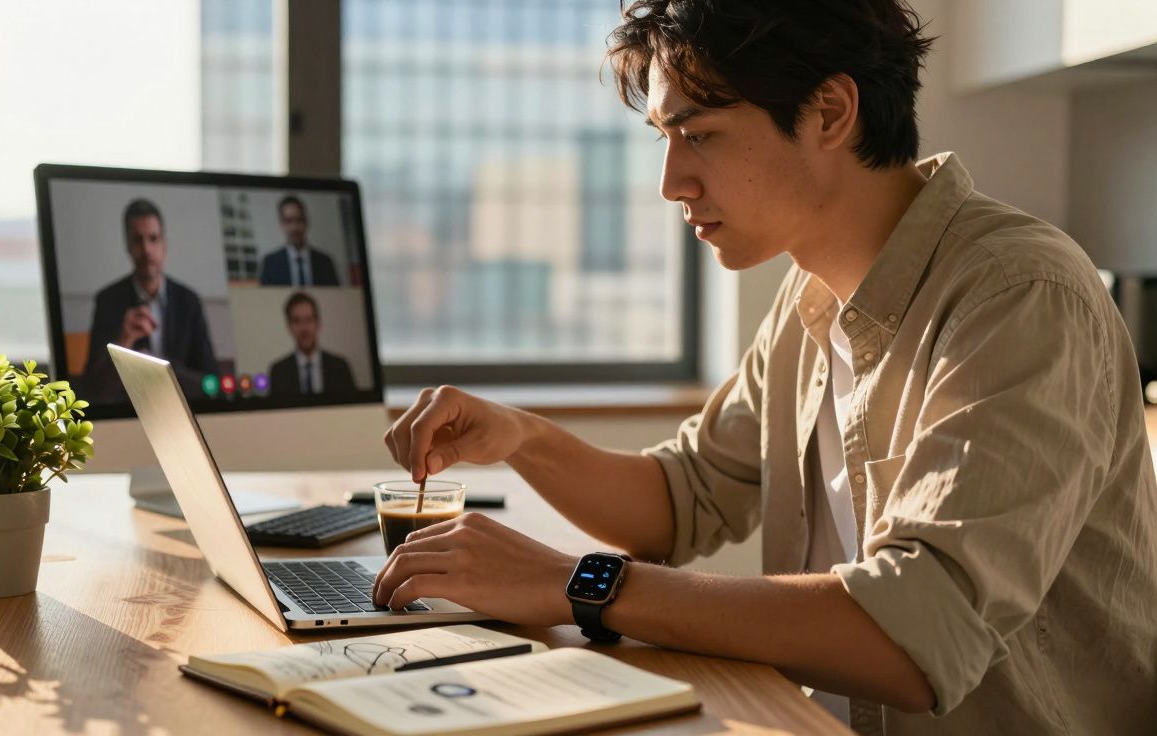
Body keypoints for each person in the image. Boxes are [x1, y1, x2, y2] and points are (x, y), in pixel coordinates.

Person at [371, 2, 1157, 734]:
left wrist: (577, 583)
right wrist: (521, 437)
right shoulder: (807, 296)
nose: (670, 183)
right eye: (664, 137)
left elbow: (916, 633)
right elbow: (682, 500)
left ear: (830, 112)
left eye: (700, 133)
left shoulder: (1019, 294)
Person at [81, 198, 217, 403]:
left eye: (153, 238)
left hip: (180, 408)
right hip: (127, 412)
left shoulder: (189, 301)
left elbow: (210, 382)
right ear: (128, 246)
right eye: (138, 240)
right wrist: (122, 343)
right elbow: (91, 388)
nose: (146, 249)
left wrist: (161, 368)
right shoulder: (107, 301)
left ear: (165, 245)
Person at [268, 291, 357, 402]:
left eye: (308, 320)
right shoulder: (278, 372)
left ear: (318, 323)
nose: (304, 328)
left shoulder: (340, 367)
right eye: (297, 321)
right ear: (289, 327)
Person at [259, 195, 341, 286]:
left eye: (299, 220)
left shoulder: (325, 263)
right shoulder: (270, 263)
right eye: (289, 221)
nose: (295, 227)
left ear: (306, 222)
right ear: (282, 224)